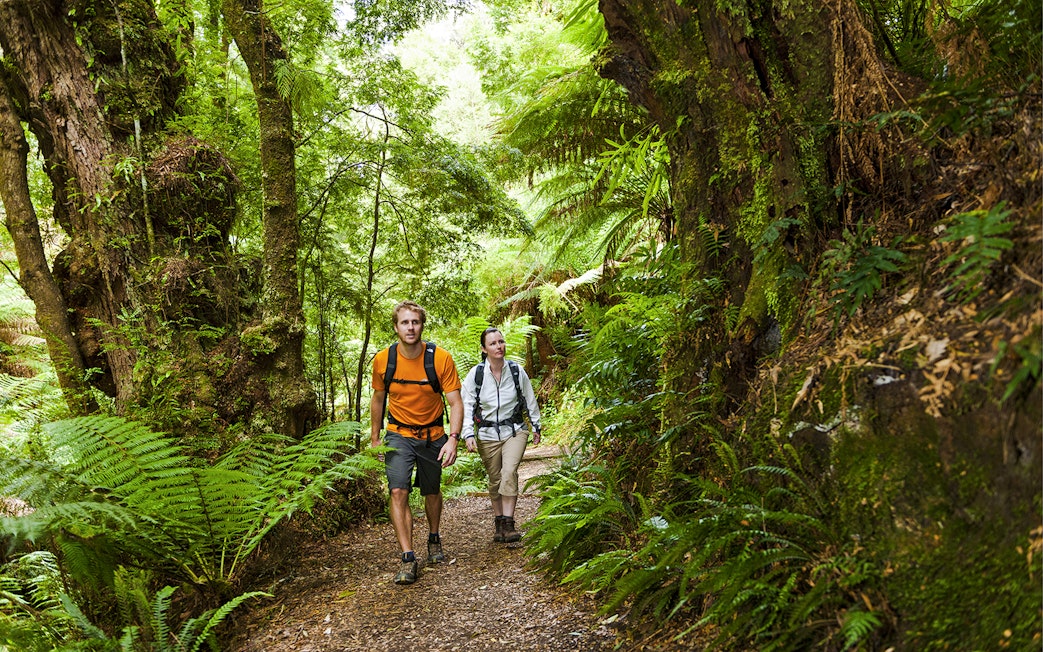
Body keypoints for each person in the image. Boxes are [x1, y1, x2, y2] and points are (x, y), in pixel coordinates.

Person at [370, 301, 464, 585]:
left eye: (415, 322)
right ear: (396, 327)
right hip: (398, 434)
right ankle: (408, 557)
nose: (410, 327)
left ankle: (434, 536)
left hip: (433, 434)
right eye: (405, 323)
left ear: (422, 325)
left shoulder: (440, 359)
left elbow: (456, 401)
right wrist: (375, 438)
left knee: (432, 491)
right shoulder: (383, 360)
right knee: (398, 491)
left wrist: (453, 439)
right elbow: (378, 399)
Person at [460, 327, 542, 544]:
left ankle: (509, 522)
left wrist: (536, 425)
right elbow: (466, 405)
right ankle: (499, 522)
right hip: (486, 434)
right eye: (493, 343)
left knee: (509, 472)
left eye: (501, 341)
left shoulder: (516, 371)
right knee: (495, 479)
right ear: (484, 349)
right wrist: (467, 433)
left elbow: (529, 398)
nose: (499, 346)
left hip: (514, 430)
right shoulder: (476, 375)